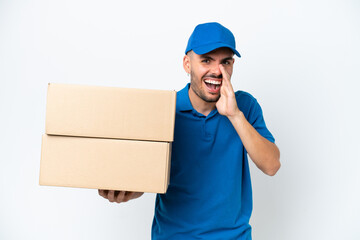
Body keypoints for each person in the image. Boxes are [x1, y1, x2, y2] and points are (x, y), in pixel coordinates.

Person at [98, 22, 280, 240]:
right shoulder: (166, 109)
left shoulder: (245, 107)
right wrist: (126, 192)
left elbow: (271, 166)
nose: (217, 71)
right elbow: (149, 175)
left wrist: (234, 115)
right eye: (206, 60)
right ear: (187, 64)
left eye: (226, 62)